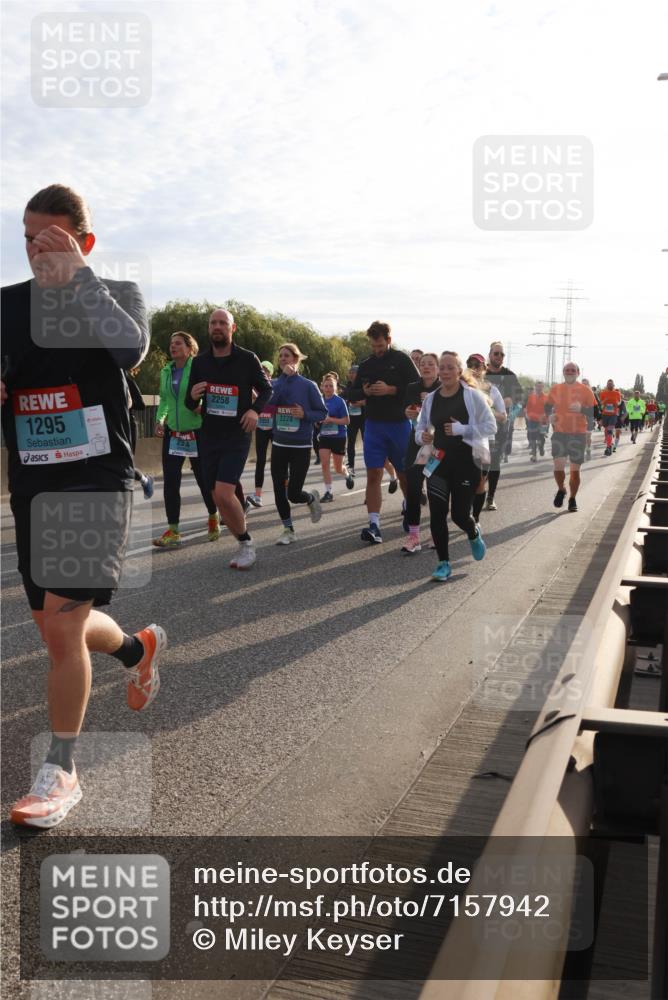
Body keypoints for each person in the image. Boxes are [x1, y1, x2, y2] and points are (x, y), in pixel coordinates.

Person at [2, 184, 166, 828]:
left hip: (95, 480)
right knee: (53, 627)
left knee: (64, 631)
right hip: (34, 481)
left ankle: (60, 770)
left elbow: (129, 351)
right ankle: (135, 649)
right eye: (27, 241)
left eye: (51, 242)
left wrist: (79, 277)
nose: (36, 254)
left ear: (82, 242)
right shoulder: (9, 307)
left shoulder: (117, 295)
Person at [185, 308, 272, 570]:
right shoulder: (200, 362)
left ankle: (246, 543)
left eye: (223, 322)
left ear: (232, 328)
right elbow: (190, 403)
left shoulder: (247, 359)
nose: (218, 326)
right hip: (210, 435)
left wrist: (254, 411)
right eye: (214, 323)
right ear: (209, 328)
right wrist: (193, 394)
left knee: (223, 492)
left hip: (237, 434)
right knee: (217, 497)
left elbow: (267, 390)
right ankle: (242, 539)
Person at [414, 352, 496, 581]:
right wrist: (423, 437)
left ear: (459, 371)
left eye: (451, 367)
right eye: (443, 367)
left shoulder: (471, 396)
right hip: (438, 463)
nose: (446, 371)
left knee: (460, 515)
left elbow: (491, 427)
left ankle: (472, 531)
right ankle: (443, 563)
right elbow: (420, 429)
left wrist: (464, 430)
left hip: (466, 463)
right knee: (437, 514)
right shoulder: (431, 399)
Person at [348, 321, 418, 543]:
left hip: (399, 424)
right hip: (374, 426)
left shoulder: (402, 360)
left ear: (389, 340)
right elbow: (351, 392)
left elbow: (417, 387)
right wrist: (365, 391)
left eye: (380, 345)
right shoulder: (366, 364)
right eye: (373, 346)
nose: (376, 350)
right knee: (373, 474)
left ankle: (409, 508)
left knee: (404, 473)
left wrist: (392, 389)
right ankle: (374, 525)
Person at [153, 331, 220, 546]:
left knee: (204, 480)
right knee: (171, 482)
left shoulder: (199, 367)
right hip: (173, 433)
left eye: (178, 343)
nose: (173, 347)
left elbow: (213, 392)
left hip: (197, 432)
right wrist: (160, 419)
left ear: (190, 348)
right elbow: (164, 400)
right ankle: (173, 530)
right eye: (171, 343)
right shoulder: (166, 371)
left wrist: (204, 407)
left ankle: (213, 515)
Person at [269, 343, 328, 543]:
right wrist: (284, 379)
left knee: (293, 493)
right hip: (279, 443)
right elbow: (270, 402)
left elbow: (322, 413)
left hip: (300, 446)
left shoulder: (308, 385)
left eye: (287, 356)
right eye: (281, 356)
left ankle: (310, 498)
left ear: (296, 360)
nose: (283, 359)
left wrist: (305, 414)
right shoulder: (276, 383)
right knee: (278, 488)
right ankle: (288, 530)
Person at [544, 362, 596, 512]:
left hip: (578, 434)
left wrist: (582, 409)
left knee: (575, 471)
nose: (570, 372)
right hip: (559, 433)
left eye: (573, 370)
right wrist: (549, 416)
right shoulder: (556, 389)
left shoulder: (586, 391)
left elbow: (596, 413)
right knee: (558, 467)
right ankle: (562, 489)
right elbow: (547, 406)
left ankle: (572, 498)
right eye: (567, 370)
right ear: (563, 372)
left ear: (578, 372)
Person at [401, 352, 440, 553]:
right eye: (423, 364)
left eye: (430, 364)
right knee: (414, 487)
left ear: (438, 368)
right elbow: (408, 409)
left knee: (435, 490)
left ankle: (436, 534)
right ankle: (414, 536)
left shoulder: (444, 388)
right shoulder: (413, 387)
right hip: (416, 442)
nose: (426, 367)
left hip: (438, 444)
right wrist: (408, 412)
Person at [465, 354, 506, 522]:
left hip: (486, 440)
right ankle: (466, 513)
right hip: (466, 438)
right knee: (464, 479)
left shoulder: (491, 389)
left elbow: (503, 416)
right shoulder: (460, 387)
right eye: (470, 364)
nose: (474, 368)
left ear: (484, 368)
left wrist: (488, 410)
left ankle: (475, 517)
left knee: (480, 480)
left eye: (478, 365)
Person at [484, 341, 522, 510]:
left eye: (502, 354)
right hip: (479, 425)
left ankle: (490, 496)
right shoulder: (480, 373)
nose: (499, 357)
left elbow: (519, 396)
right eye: (496, 353)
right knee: (477, 461)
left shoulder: (509, 375)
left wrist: (510, 400)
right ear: (490, 355)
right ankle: (476, 490)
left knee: (494, 462)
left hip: (500, 425)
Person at [247, 360, 276, 507]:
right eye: (261, 370)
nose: (263, 372)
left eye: (266, 371)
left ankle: (284, 490)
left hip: (275, 428)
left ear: (270, 373)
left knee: (279, 461)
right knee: (260, 461)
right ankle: (258, 496)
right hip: (261, 428)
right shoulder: (255, 388)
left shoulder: (275, 386)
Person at [318, 373, 350, 501]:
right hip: (324, 436)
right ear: (321, 387)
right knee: (325, 464)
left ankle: (346, 474)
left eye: (331, 386)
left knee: (337, 468)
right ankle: (328, 492)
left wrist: (330, 419)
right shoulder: (319, 400)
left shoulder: (339, 401)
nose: (328, 388)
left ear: (335, 387)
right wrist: (317, 420)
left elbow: (347, 421)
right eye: (326, 386)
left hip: (339, 436)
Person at [125, 367, 154, 498]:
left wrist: (128, 403)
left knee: (126, 464)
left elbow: (141, 405)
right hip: (105, 426)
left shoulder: (126, 379)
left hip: (128, 426)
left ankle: (145, 480)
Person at [341, 363, 364, 486]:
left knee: (368, 442)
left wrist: (362, 403)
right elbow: (342, 399)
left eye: (353, 372)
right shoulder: (347, 387)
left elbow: (371, 399)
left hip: (364, 418)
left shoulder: (364, 386)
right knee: (350, 442)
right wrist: (348, 402)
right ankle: (351, 466)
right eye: (349, 372)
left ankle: (371, 465)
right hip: (352, 419)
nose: (351, 374)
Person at [525, 381, 549, 462]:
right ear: (535, 387)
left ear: (543, 387)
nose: (539, 388)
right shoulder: (531, 397)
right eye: (537, 387)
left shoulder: (546, 397)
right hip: (532, 420)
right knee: (532, 438)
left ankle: (541, 448)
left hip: (543, 421)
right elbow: (528, 407)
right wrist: (527, 415)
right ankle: (534, 455)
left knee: (541, 437)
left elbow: (549, 410)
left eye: (540, 387)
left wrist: (547, 417)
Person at [598, 379, 623, 456]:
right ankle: (609, 444)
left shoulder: (617, 393)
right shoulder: (603, 393)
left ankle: (608, 447)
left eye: (611, 384)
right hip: (605, 414)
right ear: (606, 385)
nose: (610, 386)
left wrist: (616, 403)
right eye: (608, 384)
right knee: (606, 429)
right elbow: (600, 403)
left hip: (613, 414)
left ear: (613, 385)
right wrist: (604, 401)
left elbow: (619, 402)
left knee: (610, 430)